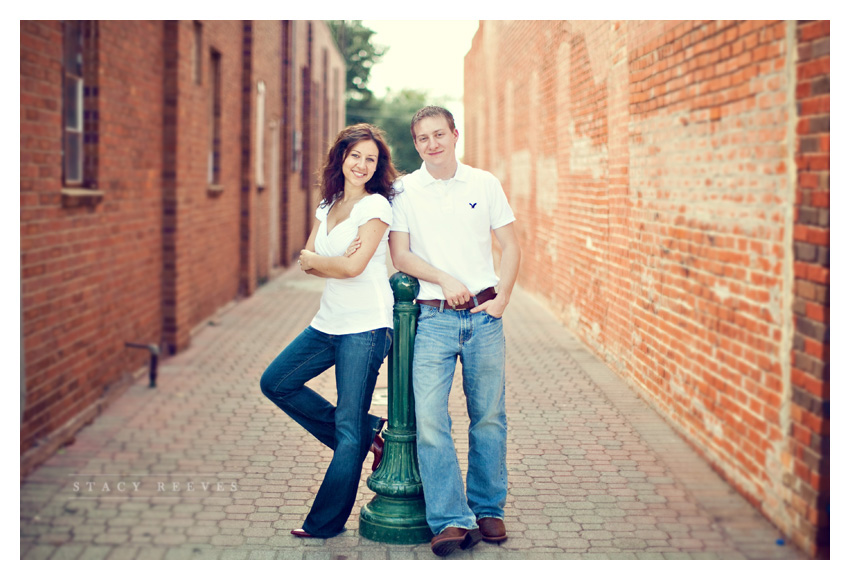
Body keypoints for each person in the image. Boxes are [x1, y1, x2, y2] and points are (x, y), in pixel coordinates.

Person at [388, 106, 521, 556]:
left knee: (488, 417)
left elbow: (511, 244)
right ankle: (450, 519)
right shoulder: (403, 191)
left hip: (485, 318)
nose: (432, 144)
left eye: (439, 134)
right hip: (433, 319)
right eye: (422, 138)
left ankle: (487, 508)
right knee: (430, 419)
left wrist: (501, 301)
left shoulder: (483, 183)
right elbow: (401, 256)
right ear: (416, 144)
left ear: (455, 134)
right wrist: (444, 278)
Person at [260, 123, 398, 539]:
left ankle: (324, 523)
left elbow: (349, 267)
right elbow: (308, 259)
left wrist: (324, 261)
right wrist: (324, 261)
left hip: (368, 325)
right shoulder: (328, 203)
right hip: (329, 321)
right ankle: (370, 432)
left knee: (346, 427)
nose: (362, 164)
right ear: (341, 157)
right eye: (355, 155)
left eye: (370, 159)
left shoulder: (376, 208)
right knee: (277, 382)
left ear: (378, 167)